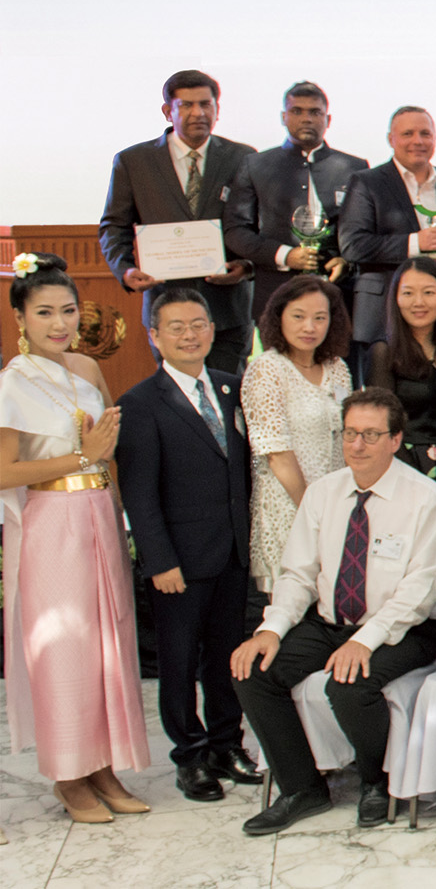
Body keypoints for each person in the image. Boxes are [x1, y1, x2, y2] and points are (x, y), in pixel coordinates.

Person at [231, 388, 436, 834]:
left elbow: (419, 591)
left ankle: (377, 782)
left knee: (349, 684)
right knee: (254, 670)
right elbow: (298, 574)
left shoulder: (425, 498)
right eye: (350, 433)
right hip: (330, 622)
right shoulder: (323, 494)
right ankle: (301, 788)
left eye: (371, 434)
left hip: (404, 628)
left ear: (395, 440)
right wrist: (271, 629)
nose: (357, 445)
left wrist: (363, 642)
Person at [0, 253, 151, 824]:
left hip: (99, 515)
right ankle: (69, 775)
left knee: (107, 642)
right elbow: (3, 472)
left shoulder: (86, 368)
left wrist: (121, 515)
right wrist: (80, 457)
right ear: (21, 317)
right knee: (66, 648)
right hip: (50, 522)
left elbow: (108, 452)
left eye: (67, 310)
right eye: (44, 313)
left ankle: (103, 766)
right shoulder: (12, 384)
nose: (58, 323)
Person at [117, 286, 264, 801]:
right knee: (178, 663)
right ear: (154, 336)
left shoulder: (233, 388)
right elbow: (139, 493)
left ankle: (227, 744)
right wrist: (159, 560)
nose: (189, 335)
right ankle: (191, 756)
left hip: (233, 552)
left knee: (227, 657)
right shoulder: (139, 404)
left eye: (198, 325)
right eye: (176, 327)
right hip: (178, 560)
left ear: (213, 330)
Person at [98, 69, 259, 374]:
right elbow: (114, 227)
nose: (198, 113)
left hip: (228, 310)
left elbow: (260, 225)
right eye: (186, 105)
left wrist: (248, 267)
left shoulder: (244, 158)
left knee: (229, 394)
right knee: (175, 396)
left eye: (205, 104)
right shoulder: (133, 162)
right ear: (167, 111)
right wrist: (126, 270)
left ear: (217, 109)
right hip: (166, 308)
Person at [224, 80, 365, 324]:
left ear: (328, 119)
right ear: (284, 117)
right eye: (297, 111)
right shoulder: (256, 165)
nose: (307, 119)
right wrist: (284, 255)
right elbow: (235, 230)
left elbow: (362, 229)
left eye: (315, 112)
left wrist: (346, 260)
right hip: (274, 294)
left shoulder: (354, 168)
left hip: (339, 293)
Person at [246, 275, 354, 588]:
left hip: (336, 503)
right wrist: (312, 512)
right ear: (278, 316)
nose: (310, 327)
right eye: (298, 316)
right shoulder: (267, 368)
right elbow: (276, 453)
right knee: (291, 602)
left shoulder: (337, 367)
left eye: (320, 318)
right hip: (290, 505)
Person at [341, 106, 436, 356]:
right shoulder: (366, 182)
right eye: (407, 134)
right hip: (384, 314)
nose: (417, 141)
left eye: (425, 134)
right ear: (391, 139)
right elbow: (353, 245)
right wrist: (415, 244)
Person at [366, 258, 436, 515]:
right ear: (395, 298)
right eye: (408, 293)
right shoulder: (383, 352)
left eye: (429, 292)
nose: (419, 302)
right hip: (408, 463)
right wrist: (406, 473)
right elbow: (382, 423)